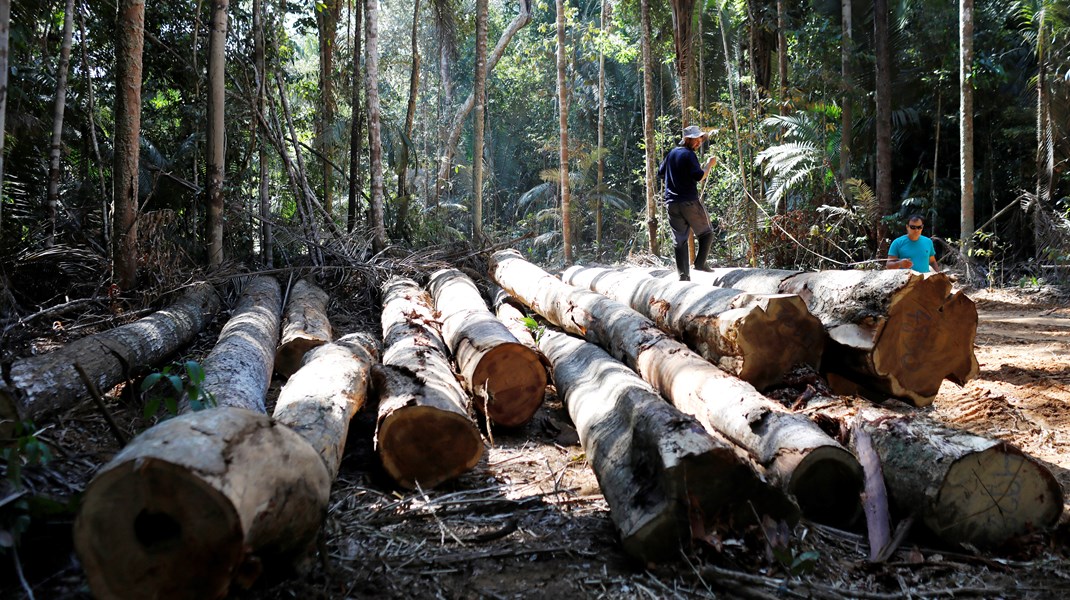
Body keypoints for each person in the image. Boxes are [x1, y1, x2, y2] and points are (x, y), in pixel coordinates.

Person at [657, 125, 717, 281]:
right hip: (688, 202)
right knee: (706, 232)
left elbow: (661, 173)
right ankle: (700, 263)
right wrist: (709, 165)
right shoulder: (689, 155)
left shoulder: (671, 154)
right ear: (688, 139)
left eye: (700, 139)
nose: (699, 142)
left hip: (672, 203)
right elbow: (699, 177)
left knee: (680, 239)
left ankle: (683, 276)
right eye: (696, 139)